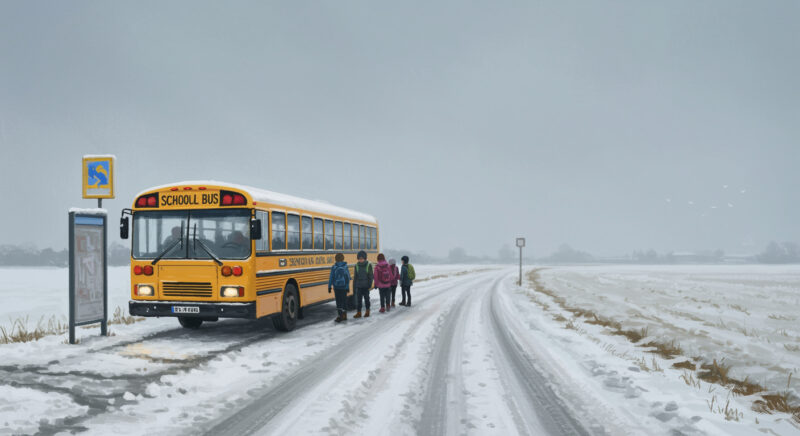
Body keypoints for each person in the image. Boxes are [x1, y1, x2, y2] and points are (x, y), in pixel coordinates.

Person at [328, 253, 351, 323]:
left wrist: (329, 286)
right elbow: (348, 278)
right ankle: (345, 315)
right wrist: (347, 287)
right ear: (343, 259)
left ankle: (340, 316)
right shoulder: (345, 267)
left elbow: (331, 277)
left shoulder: (334, 267)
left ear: (336, 259)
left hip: (336, 287)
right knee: (344, 301)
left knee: (338, 302)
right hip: (344, 287)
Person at [352, 250, 373, 318]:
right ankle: (359, 312)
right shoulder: (357, 266)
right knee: (359, 300)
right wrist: (354, 286)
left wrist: (369, 285)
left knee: (367, 299)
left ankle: (367, 311)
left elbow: (370, 276)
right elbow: (355, 277)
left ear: (365, 258)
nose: (360, 260)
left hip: (366, 286)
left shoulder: (368, 265)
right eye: (359, 258)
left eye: (362, 258)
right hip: (359, 286)